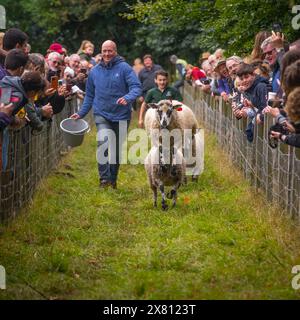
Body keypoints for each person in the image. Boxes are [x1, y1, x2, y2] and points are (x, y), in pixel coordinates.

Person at [71, 40, 141, 189]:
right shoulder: (95, 71)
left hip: (122, 115)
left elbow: (136, 87)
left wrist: (127, 98)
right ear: (101, 52)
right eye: (104, 51)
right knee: (103, 142)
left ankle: (113, 178)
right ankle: (104, 179)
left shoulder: (125, 68)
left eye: (110, 51)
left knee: (116, 149)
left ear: (115, 51)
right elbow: (89, 96)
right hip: (101, 113)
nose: (107, 54)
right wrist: (81, 113)